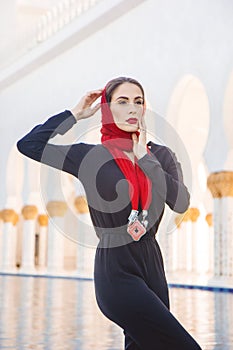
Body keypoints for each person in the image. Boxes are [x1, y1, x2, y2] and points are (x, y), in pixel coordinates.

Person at [17, 76, 202, 350]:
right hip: (116, 271)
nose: (132, 109)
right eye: (122, 101)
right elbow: (29, 144)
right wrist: (74, 115)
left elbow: (181, 202)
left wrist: (147, 161)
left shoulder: (161, 155)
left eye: (138, 102)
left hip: (153, 267)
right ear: (106, 108)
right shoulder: (89, 157)